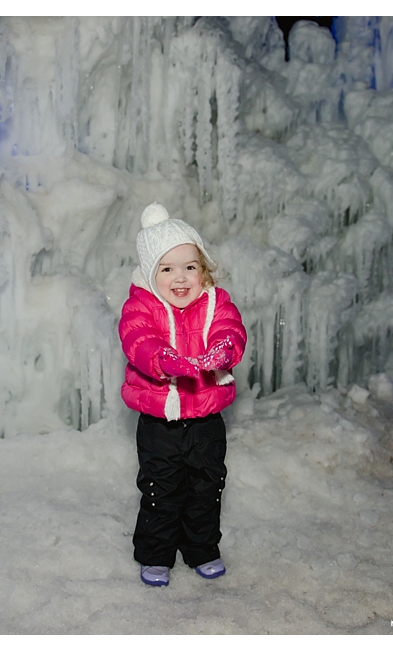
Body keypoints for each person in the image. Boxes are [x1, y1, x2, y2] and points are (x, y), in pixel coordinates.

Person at [119, 201, 247, 587]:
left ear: (203, 269)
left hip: (206, 419)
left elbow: (232, 329)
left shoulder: (215, 302)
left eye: (190, 267)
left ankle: (202, 549)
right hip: (160, 422)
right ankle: (156, 554)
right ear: (149, 272)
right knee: (161, 489)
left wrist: (224, 349)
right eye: (167, 268)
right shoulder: (141, 305)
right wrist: (163, 359)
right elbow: (137, 339)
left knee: (207, 485)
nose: (180, 278)